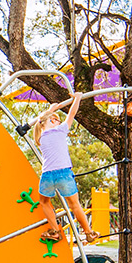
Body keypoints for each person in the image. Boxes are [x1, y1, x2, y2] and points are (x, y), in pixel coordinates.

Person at [32, 93, 98, 242]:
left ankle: (55, 230)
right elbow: (72, 113)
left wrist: (51, 110)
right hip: (64, 174)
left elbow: (44, 119)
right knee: (74, 204)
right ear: (50, 121)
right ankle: (88, 232)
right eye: (55, 119)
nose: (58, 121)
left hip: (47, 175)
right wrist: (78, 98)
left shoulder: (40, 136)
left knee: (44, 202)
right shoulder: (61, 130)